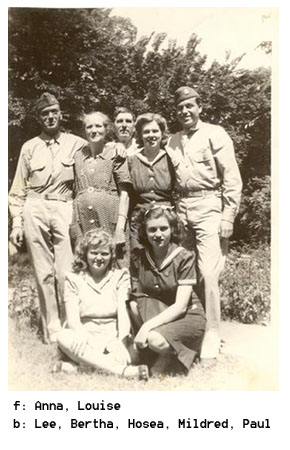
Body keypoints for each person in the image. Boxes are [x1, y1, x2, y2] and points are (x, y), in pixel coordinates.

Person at [166, 86, 243, 361]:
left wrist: (227, 216)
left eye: (190, 106)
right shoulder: (172, 140)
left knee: (209, 271)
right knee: (186, 271)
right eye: (180, 107)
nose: (185, 111)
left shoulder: (215, 133)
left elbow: (232, 177)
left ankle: (212, 333)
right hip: (182, 209)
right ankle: (192, 329)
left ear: (200, 107)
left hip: (210, 205)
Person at [8, 92, 86, 343]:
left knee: (67, 270)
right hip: (35, 207)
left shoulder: (77, 143)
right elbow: (18, 190)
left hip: (64, 206)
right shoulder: (29, 147)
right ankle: (52, 329)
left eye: (54, 112)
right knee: (43, 272)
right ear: (38, 118)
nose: (50, 117)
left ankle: (70, 324)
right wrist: (17, 223)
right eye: (45, 114)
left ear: (61, 114)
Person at [56, 229, 149, 380]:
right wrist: (84, 338)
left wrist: (121, 342)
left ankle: (78, 367)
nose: (99, 258)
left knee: (134, 350)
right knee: (63, 336)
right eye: (94, 252)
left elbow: (123, 313)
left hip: (113, 336)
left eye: (104, 254)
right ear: (85, 254)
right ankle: (123, 372)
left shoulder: (120, 276)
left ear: (111, 255)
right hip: (85, 336)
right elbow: (73, 320)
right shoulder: (73, 279)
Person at [129, 206, 206, 375]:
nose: (158, 234)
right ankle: (153, 353)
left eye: (164, 228)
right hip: (159, 311)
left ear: (172, 229)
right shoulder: (139, 257)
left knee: (155, 340)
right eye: (152, 229)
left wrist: (145, 328)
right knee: (134, 304)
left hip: (188, 314)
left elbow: (180, 306)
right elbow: (137, 296)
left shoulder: (183, 256)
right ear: (144, 232)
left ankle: (172, 355)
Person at [70, 111, 131, 268]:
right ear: (84, 131)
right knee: (85, 264)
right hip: (82, 220)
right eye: (89, 126)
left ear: (107, 129)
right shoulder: (78, 155)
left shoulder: (116, 154)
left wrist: (120, 228)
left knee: (114, 263)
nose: (94, 130)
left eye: (98, 126)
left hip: (109, 220)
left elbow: (124, 194)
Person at [128, 113, 176, 251]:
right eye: (146, 131)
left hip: (166, 218)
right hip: (139, 219)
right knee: (139, 259)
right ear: (140, 135)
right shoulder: (132, 160)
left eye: (155, 131)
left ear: (162, 133)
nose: (151, 135)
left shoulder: (171, 158)